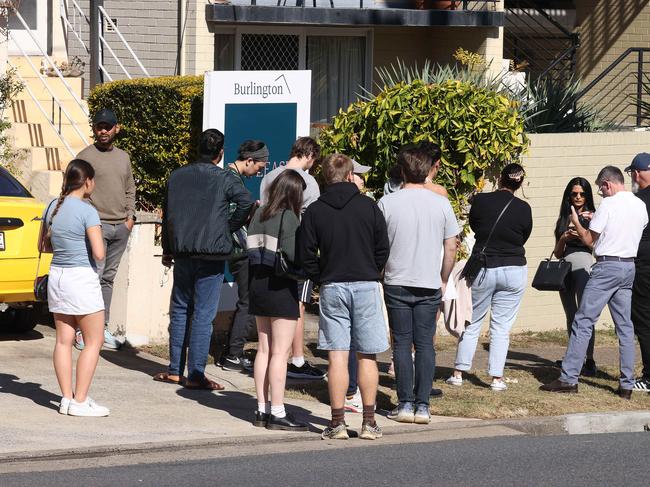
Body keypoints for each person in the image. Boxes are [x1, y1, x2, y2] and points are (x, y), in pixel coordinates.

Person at [301, 153, 390, 440]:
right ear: (350, 175)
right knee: (367, 355)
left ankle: (337, 422)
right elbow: (383, 248)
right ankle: (368, 422)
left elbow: (305, 253)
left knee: (337, 356)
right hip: (365, 283)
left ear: (325, 177)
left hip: (332, 284)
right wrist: (371, 268)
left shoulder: (315, 210)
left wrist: (320, 274)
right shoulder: (368, 206)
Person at [156, 129, 253, 389]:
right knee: (202, 314)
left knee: (179, 310)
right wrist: (227, 227)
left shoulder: (177, 176)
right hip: (211, 253)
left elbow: (168, 216)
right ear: (220, 154)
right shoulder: (223, 178)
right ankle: (196, 374)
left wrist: (168, 247)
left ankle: (176, 369)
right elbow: (246, 203)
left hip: (183, 251)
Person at [541, 166, 648, 399]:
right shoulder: (640, 205)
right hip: (629, 266)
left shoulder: (609, 204)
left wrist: (577, 222)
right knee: (625, 328)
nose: (600, 193)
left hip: (606, 266)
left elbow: (589, 239)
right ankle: (626, 384)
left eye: (601, 189)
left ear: (608, 184)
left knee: (583, 321)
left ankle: (568, 379)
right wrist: (594, 218)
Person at [378, 146, 459, 424]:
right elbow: (451, 247)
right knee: (425, 344)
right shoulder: (441, 203)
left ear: (402, 171)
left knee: (401, 344)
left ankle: (404, 403)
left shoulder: (387, 203)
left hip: (396, 279)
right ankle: (422, 405)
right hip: (428, 281)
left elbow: (378, 245)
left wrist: (381, 271)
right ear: (427, 171)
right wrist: (444, 278)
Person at [446, 163, 531, 392]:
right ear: (520, 183)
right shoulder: (524, 208)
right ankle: (496, 378)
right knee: (501, 327)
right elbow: (523, 237)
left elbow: (475, 226)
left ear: (501, 179)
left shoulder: (482, 201)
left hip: (485, 266)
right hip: (514, 268)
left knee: (472, 321)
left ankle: (458, 373)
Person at [247, 170, 309, 432]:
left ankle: (261, 408)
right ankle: (278, 411)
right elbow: (294, 255)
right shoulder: (289, 217)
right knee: (280, 353)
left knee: (263, 349)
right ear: (294, 193)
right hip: (281, 286)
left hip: (258, 285)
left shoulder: (258, 214)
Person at [46, 159, 109, 416]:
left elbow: (43, 245)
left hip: (57, 276)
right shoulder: (87, 211)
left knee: (63, 341)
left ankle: (67, 398)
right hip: (81, 278)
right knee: (94, 341)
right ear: (87, 182)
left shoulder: (53, 206)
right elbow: (99, 253)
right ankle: (80, 401)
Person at [260, 137, 325, 381]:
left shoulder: (269, 177)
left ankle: (278, 355)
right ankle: (295, 358)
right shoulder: (309, 182)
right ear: (309, 155)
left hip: (268, 248)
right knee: (297, 304)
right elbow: (312, 220)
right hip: (296, 249)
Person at [75, 108, 135, 351]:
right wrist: (93, 221)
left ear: (116, 128)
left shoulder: (124, 157)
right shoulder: (84, 157)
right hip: (95, 228)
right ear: (94, 129)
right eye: (99, 126)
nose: (103, 131)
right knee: (90, 278)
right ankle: (82, 331)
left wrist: (129, 218)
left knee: (107, 279)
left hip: (120, 227)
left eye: (107, 126)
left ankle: (101, 329)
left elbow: (130, 187)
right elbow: (77, 192)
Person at [218, 140, 268, 372]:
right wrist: (250, 212)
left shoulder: (227, 177)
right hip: (241, 250)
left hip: (235, 250)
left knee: (245, 301)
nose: (259, 171)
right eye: (259, 166)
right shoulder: (231, 180)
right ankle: (233, 355)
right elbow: (230, 218)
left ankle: (229, 352)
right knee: (248, 302)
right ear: (249, 160)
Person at [553, 177, 597, 376]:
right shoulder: (564, 217)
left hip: (584, 264)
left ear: (587, 195)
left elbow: (594, 245)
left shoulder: (594, 216)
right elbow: (558, 252)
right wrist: (564, 236)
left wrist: (580, 229)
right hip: (565, 266)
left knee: (584, 314)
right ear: (568, 196)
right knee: (570, 313)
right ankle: (573, 357)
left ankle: (589, 360)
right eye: (574, 194)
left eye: (582, 193)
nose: (578, 197)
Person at [628, 154, 650, 393]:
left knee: (644, 321)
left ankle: (649, 377)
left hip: (644, 267)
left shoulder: (638, 201)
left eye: (633, 172)